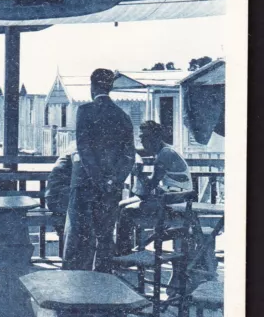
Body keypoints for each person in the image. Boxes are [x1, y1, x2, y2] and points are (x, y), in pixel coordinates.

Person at [63, 68, 135, 273]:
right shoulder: (123, 116)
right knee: (105, 236)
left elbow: (84, 149)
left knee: (79, 238)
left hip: (85, 183)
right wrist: (114, 181)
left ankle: (75, 290)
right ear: (110, 87)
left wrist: (98, 179)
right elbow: (129, 155)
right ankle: (103, 288)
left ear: (92, 86)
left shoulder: (85, 111)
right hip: (111, 189)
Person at [116, 121, 193, 256]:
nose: (143, 142)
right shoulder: (166, 150)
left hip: (174, 205)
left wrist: (138, 174)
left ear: (157, 138)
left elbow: (148, 188)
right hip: (173, 200)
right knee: (121, 205)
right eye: (141, 138)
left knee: (124, 212)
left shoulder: (165, 154)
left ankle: (125, 253)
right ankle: (129, 250)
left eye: (146, 138)